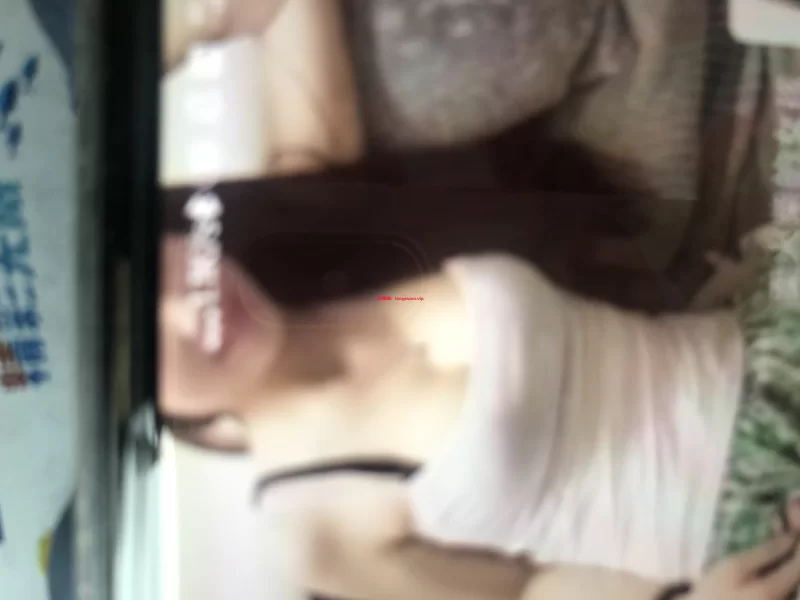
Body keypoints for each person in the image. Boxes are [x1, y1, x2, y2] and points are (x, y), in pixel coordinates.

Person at [159, 218, 800, 600]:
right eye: (148, 344)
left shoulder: (357, 285)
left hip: (770, 352)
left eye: (158, 272)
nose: (190, 309)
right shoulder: (309, 523)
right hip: (756, 521)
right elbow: (524, 595)